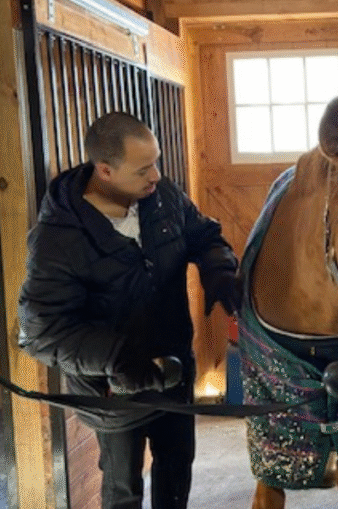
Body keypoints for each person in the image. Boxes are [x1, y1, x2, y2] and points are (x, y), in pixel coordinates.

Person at [17, 112, 239, 509]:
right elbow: (40, 331)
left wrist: (220, 273)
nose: (155, 175)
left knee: (176, 470)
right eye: (143, 168)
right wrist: (117, 357)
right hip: (114, 387)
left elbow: (205, 235)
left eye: (156, 161)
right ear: (104, 170)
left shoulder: (161, 196)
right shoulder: (58, 239)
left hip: (173, 368)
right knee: (124, 489)